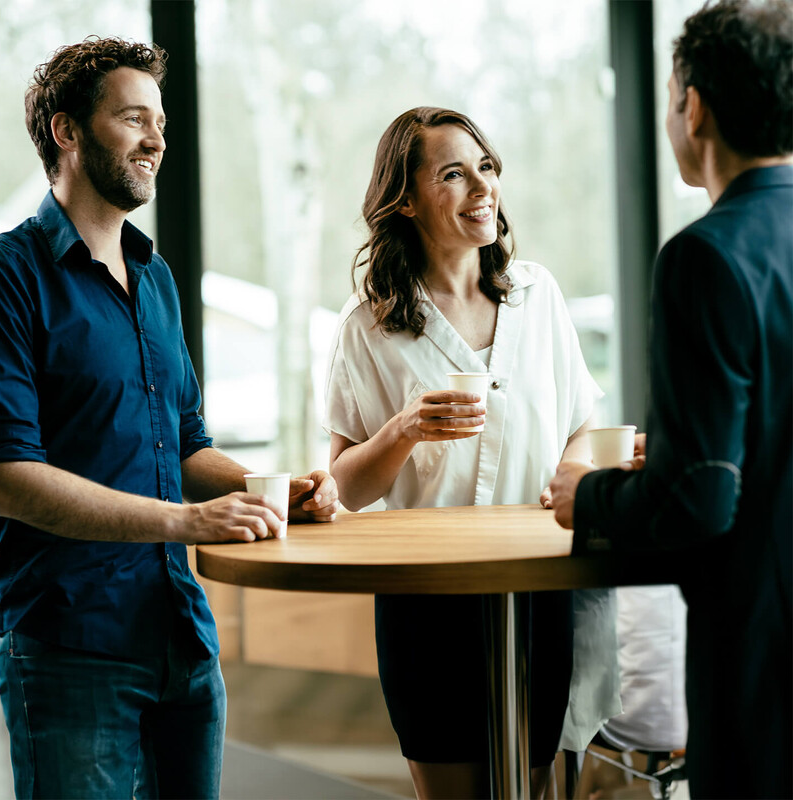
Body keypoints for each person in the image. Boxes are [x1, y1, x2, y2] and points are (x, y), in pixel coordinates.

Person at [0, 36, 338, 799]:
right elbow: (7, 480)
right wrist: (186, 523)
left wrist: (275, 489)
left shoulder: (156, 279)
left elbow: (184, 444)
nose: (157, 140)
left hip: (182, 641)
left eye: (162, 122)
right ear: (67, 131)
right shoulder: (6, 277)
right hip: (70, 649)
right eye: (133, 118)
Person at [324, 106, 620, 799]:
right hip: (425, 598)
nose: (483, 188)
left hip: (537, 586)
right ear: (405, 199)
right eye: (454, 175)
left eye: (486, 168)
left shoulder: (536, 296)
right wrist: (401, 430)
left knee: (530, 788)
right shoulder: (367, 324)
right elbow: (344, 487)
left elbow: (582, 421)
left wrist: (572, 471)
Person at [549, 1, 792, 797]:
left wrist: (591, 496)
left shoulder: (705, 257)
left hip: (763, 654)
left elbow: (700, 502)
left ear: (693, 107)